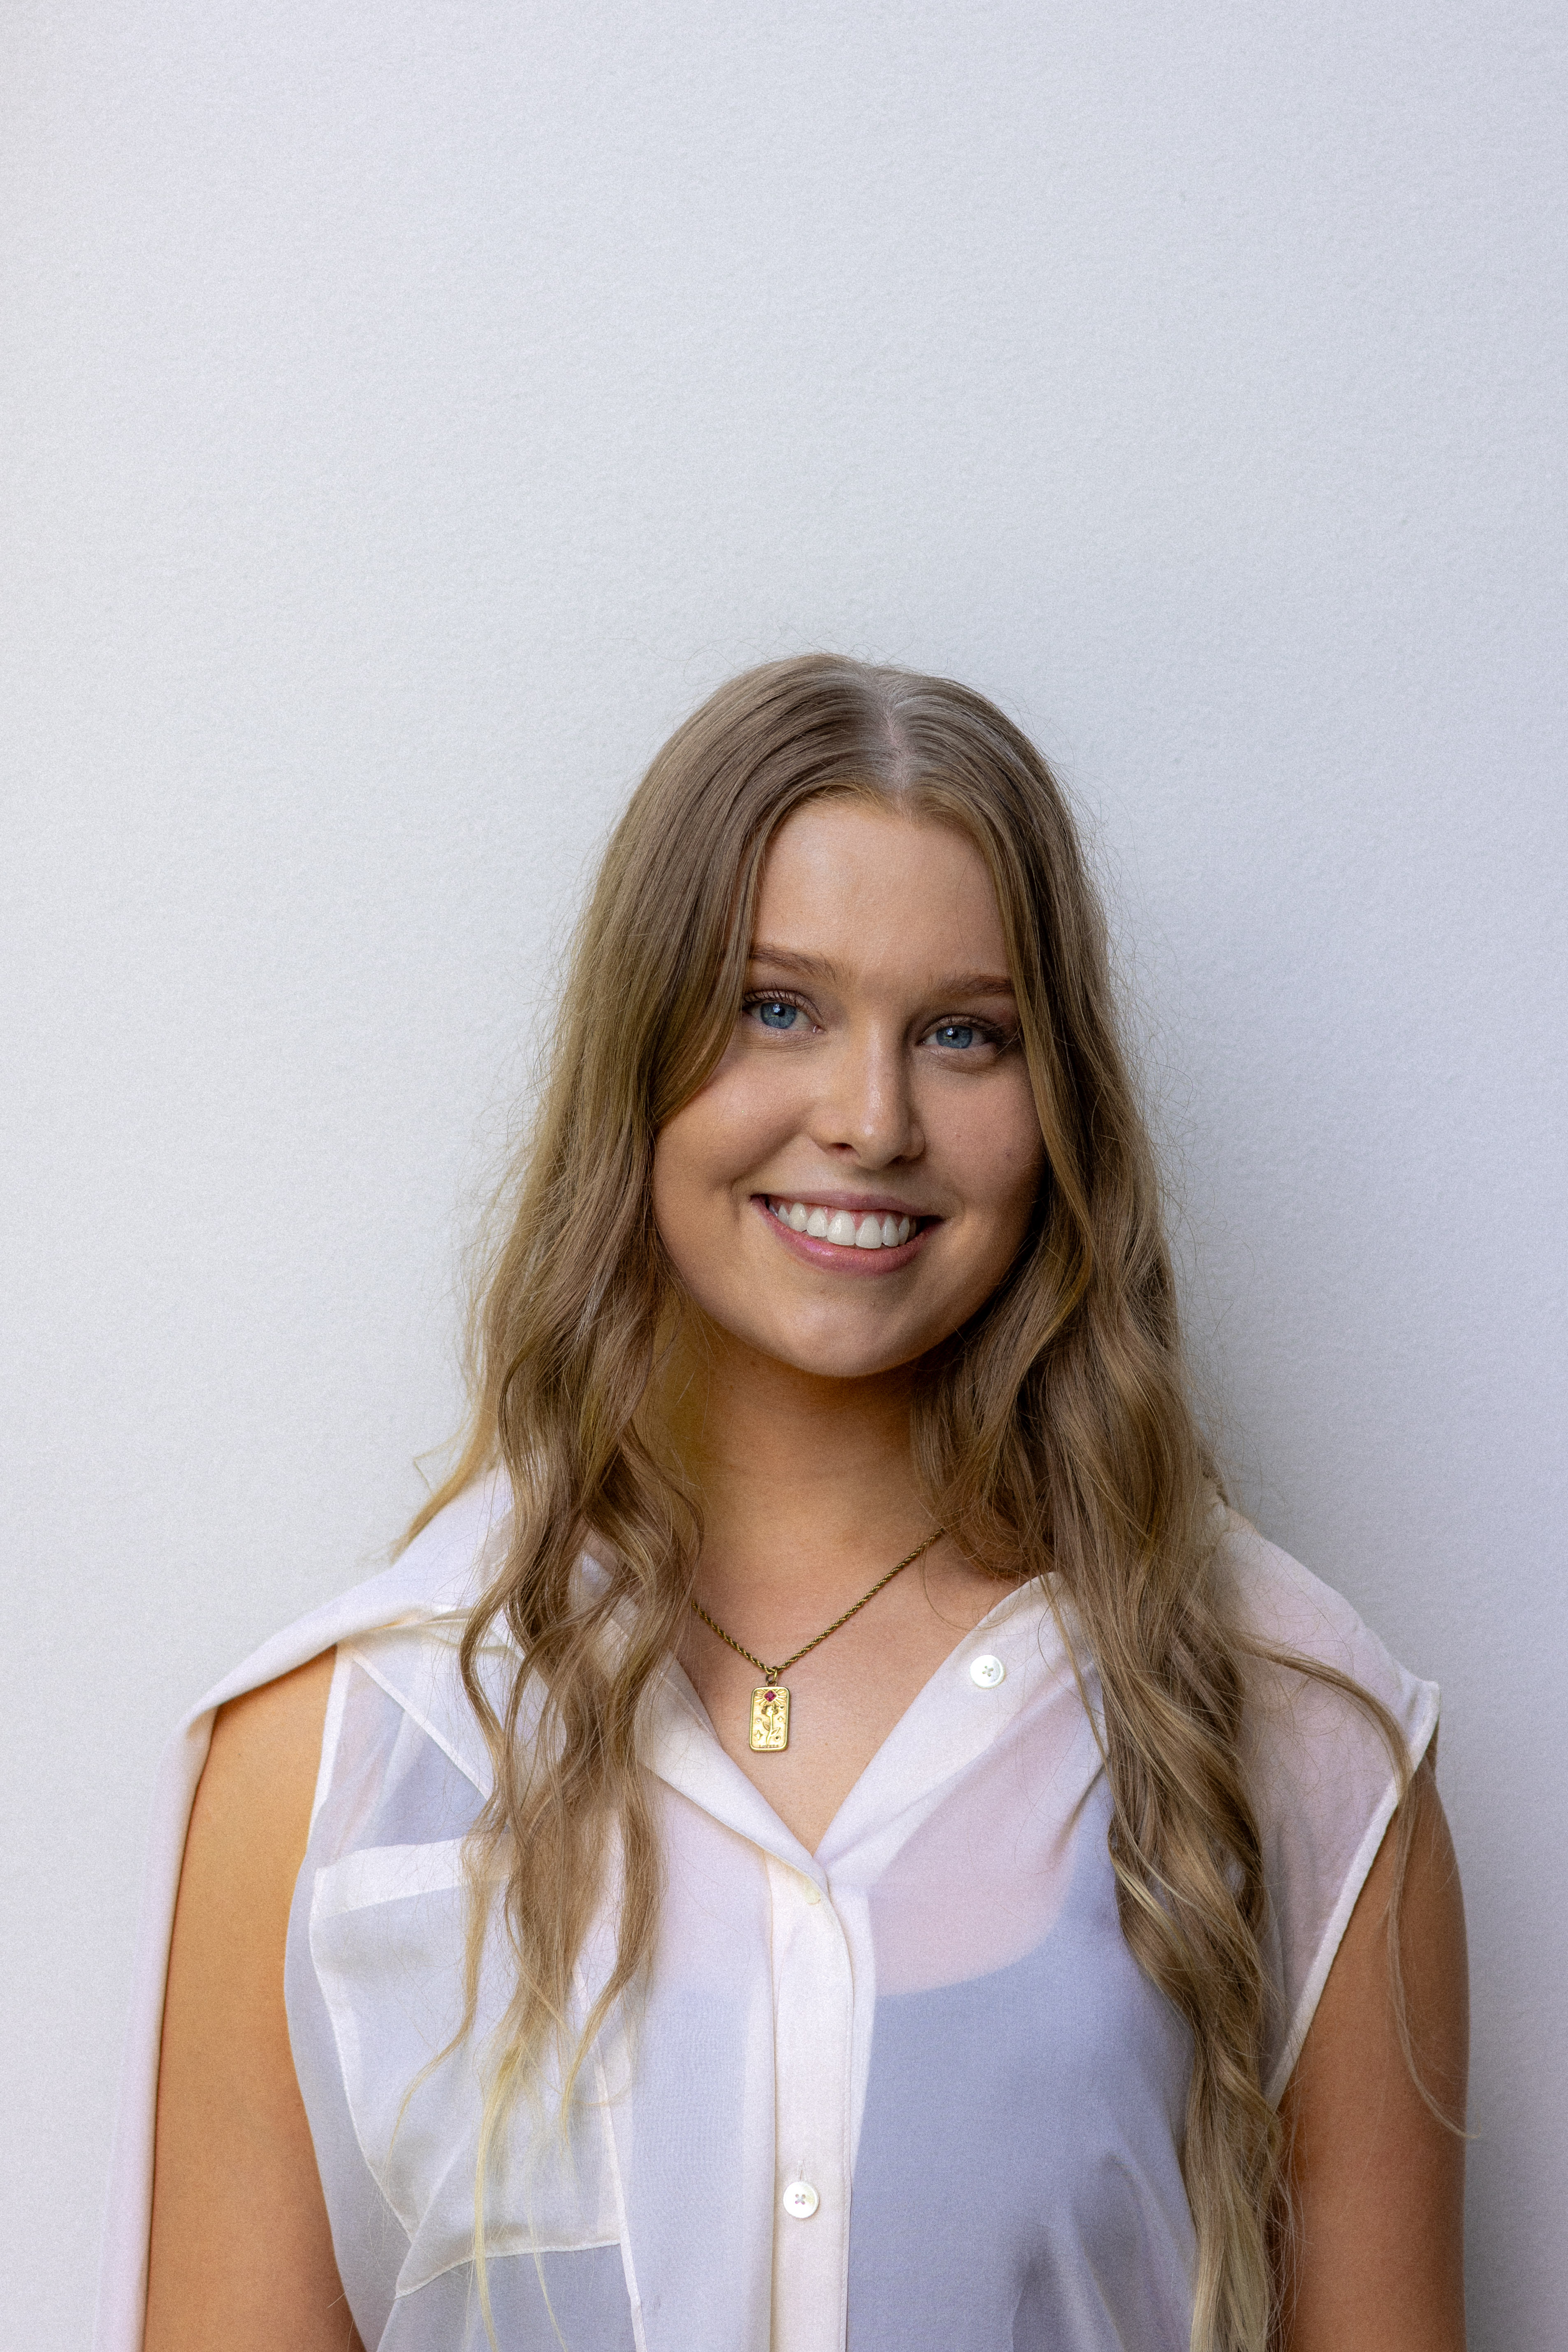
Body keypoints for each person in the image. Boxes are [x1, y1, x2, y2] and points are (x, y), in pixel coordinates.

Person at [98, 656, 1468, 2352]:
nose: (870, 1120)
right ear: (638, 1052)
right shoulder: (338, 1758)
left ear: (1059, 1104)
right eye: (775, 1007)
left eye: (963, 1033)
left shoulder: (1289, 1728)